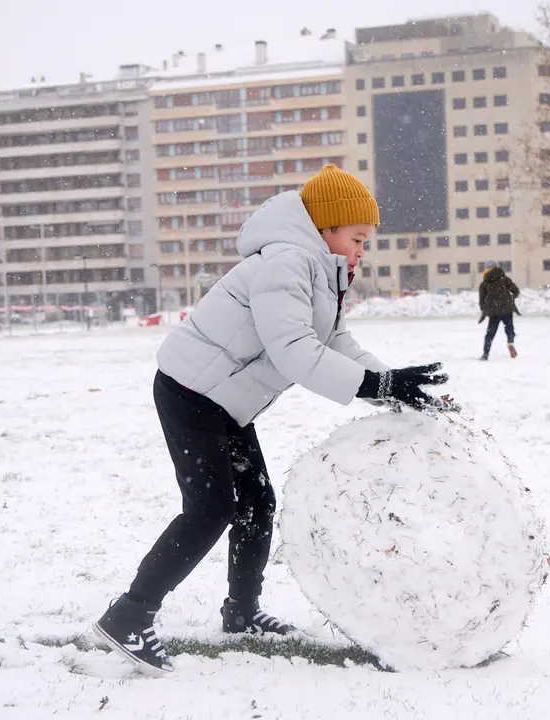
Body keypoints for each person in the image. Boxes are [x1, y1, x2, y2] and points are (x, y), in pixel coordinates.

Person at [91, 164, 452, 676]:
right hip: (190, 392)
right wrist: (376, 386)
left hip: (223, 400)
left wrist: (390, 385)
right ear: (326, 227)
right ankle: (129, 614)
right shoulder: (287, 262)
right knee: (211, 508)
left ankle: (241, 612)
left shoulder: (322, 271)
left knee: (257, 501)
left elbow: (334, 343)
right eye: (357, 237)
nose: (362, 249)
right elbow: (294, 351)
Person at [477, 266, 521, 360]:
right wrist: (510, 298)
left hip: (494, 312)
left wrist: (485, 309)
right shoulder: (504, 279)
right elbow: (516, 291)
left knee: (490, 333)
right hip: (507, 309)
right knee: (509, 329)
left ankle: (485, 354)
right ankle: (510, 342)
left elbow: (482, 300)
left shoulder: (484, 283)